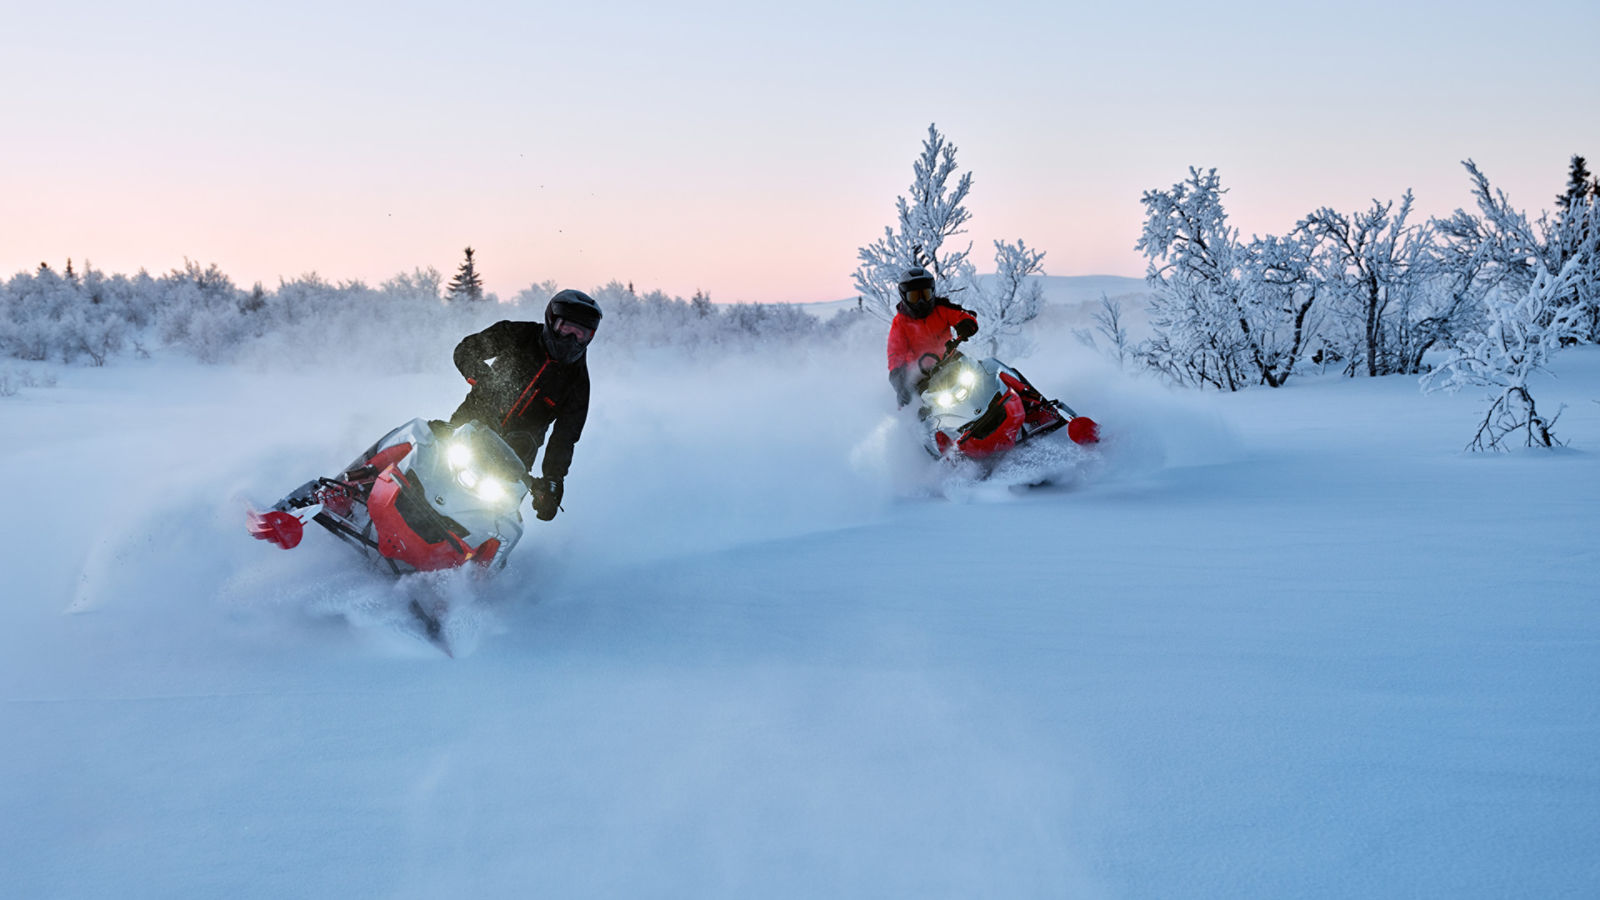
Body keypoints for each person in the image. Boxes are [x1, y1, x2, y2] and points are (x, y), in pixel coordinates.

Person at [449, 289, 602, 521]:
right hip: (469, 426)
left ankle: (485, 551)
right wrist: (486, 380)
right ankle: (375, 480)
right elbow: (466, 351)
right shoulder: (517, 334)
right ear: (552, 321)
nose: (571, 338)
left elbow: (565, 436)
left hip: (514, 457)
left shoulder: (578, 383)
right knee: (427, 459)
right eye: (566, 328)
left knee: (493, 514)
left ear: (589, 337)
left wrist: (553, 480)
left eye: (580, 334)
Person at [885, 266, 978, 407]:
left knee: (983, 374)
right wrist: (899, 381)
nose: (921, 302)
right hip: (922, 376)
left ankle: (1018, 395)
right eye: (915, 297)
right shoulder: (900, 323)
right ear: (905, 297)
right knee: (925, 409)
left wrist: (966, 324)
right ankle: (926, 428)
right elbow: (895, 354)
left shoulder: (942, 309)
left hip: (952, 360)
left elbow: (963, 316)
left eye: (925, 295)